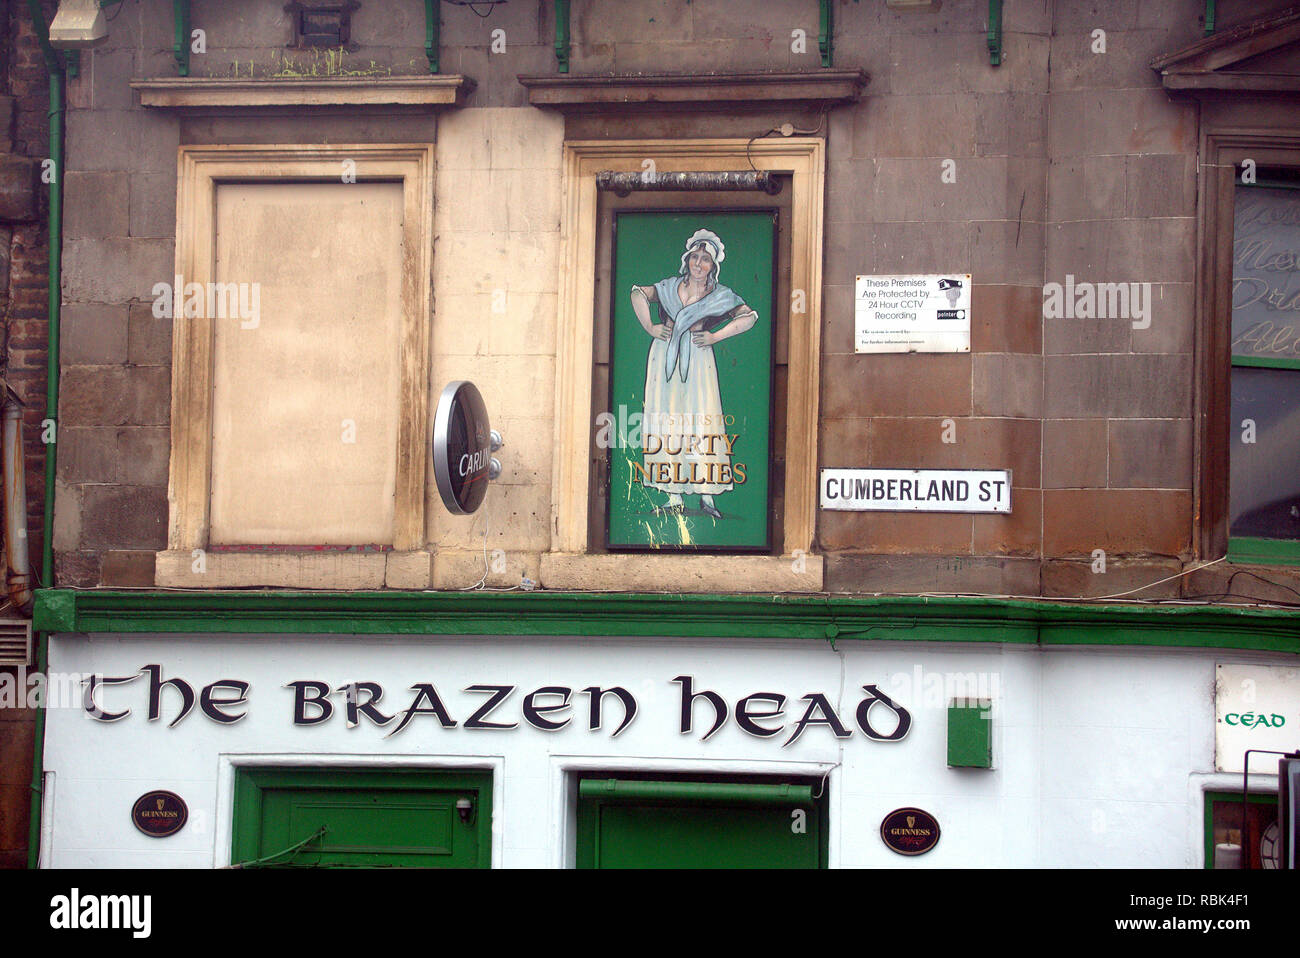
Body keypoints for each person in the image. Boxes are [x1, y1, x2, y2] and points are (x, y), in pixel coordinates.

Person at [628, 229, 758, 519]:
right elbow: (637, 292)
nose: (699, 264)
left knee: (702, 417)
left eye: (706, 259)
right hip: (664, 356)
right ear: (687, 259)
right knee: (667, 417)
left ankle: (707, 495)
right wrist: (650, 326)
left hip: (699, 357)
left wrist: (715, 336)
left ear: (713, 265)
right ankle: (672, 494)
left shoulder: (720, 295)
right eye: (695, 257)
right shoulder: (668, 286)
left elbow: (748, 317)